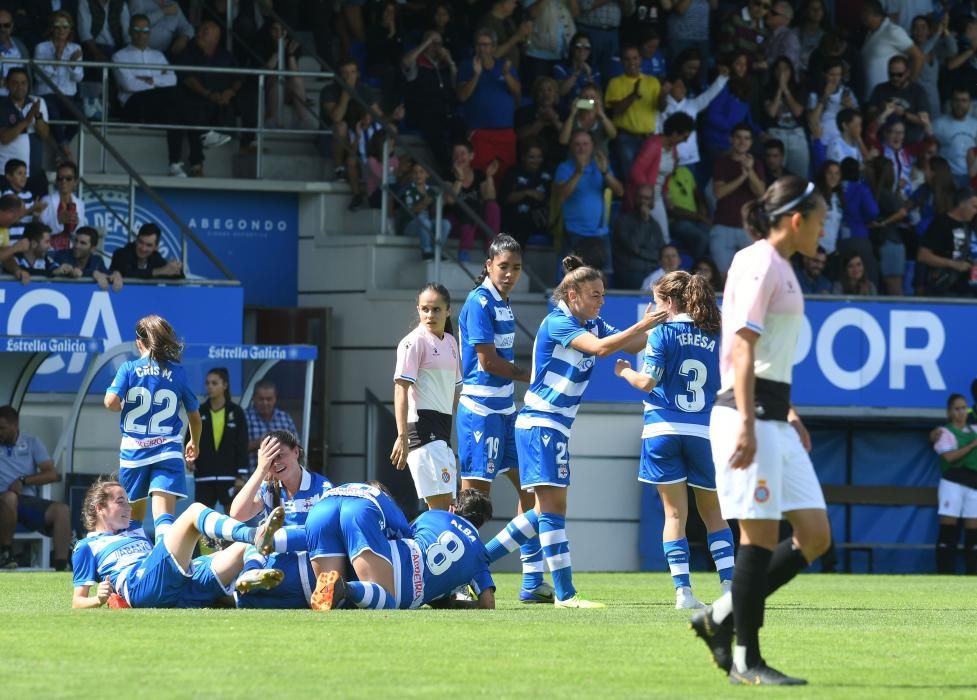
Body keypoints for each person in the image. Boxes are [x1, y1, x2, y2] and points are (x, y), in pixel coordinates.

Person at [690, 176, 832, 686]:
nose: (824, 227)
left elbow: (768, 353)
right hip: (745, 416)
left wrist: (787, 413)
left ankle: (720, 617)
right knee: (758, 537)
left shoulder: (785, 268)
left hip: (775, 415)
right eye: (820, 218)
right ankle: (747, 661)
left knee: (814, 535)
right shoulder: (757, 261)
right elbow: (743, 347)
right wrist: (749, 421)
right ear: (796, 220)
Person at [485, 255, 664, 608]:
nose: (601, 301)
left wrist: (659, 322)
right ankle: (564, 594)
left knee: (546, 509)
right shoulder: (557, 323)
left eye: (602, 295)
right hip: (541, 422)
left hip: (552, 426)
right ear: (572, 296)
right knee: (552, 508)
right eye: (595, 295)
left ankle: (484, 561)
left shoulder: (592, 324)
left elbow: (632, 345)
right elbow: (601, 350)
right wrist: (645, 323)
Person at [614, 271, 735, 609]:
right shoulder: (713, 333)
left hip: (662, 430)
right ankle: (729, 589)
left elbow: (647, 383)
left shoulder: (662, 332)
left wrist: (623, 370)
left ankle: (683, 592)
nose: (653, 309)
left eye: (655, 302)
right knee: (714, 514)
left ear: (668, 303)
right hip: (703, 431)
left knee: (674, 516)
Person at [456, 235, 552, 603]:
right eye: (503, 267)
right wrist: (530, 375)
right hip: (481, 412)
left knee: (529, 489)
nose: (509, 274)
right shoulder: (479, 301)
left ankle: (531, 580)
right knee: (473, 502)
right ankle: (461, 577)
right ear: (488, 264)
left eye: (515, 268)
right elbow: (487, 362)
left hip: (505, 410)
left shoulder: (502, 301)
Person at [71, 477, 285, 608]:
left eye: (128, 501)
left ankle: (249, 575)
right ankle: (252, 533)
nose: (128, 507)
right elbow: (77, 602)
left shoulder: (133, 529)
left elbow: (162, 509)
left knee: (242, 550)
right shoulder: (87, 546)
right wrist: (98, 600)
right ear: (99, 508)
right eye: (120, 502)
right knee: (193, 512)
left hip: (174, 586)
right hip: (141, 586)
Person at [308, 486, 493, 610]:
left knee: (334, 604)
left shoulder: (434, 515)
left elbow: (406, 535)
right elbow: (488, 604)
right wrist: (462, 605)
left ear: (453, 509)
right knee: (385, 599)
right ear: (482, 524)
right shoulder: (479, 553)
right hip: (405, 583)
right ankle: (345, 588)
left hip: (325, 503)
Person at [103, 314, 201, 542]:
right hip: (167, 450)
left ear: (140, 341)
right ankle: (164, 563)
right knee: (163, 520)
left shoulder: (128, 368)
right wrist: (194, 441)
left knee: (133, 520)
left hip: (134, 453)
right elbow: (194, 417)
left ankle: (135, 564)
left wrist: (121, 404)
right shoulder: (178, 373)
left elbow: (110, 402)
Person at [230, 431, 333, 609]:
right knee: (253, 542)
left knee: (259, 542)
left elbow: (327, 535)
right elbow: (237, 514)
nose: (275, 463)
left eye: (280, 455)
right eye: (270, 459)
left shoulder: (322, 488)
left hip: (312, 566)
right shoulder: (269, 488)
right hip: (277, 570)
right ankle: (251, 574)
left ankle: (252, 571)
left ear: (296, 452)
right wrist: (261, 470)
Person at [392, 283, 461, 510]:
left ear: (448, 310)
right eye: (425, 309)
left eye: (437, 309)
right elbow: (401, 388)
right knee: (440, 511)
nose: (430, 315)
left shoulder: (451, 343)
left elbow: (455, 391)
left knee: (449, 509)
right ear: (418, 310)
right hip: (422, 430)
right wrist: (402, 435)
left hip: (442, 432)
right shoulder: (413, 342)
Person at [112, 14, 190, 177]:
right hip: (133, 105)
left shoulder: (158, 56)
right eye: (137, 30)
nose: (141, 34)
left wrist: (150, 79)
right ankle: (201, 133)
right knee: (175, 97)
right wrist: (159, 81)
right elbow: (129, 85)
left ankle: (174, 163)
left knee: (173, 113)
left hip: (157, 105)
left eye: (145, 30)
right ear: (130, 31)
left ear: (150, 33)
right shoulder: (119, 56)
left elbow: (173, 79)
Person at [0, 405, 72, 570]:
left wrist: (23, 480)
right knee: (9, 497)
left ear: (15, 425)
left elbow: (51, 474)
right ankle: (6, 555)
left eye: (2, 428)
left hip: (25, 501)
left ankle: (60, 567)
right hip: (2, 499)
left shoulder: (32, 443)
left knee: (62, 510)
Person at [555, 130, 624, 273]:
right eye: (578, 144)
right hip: (574, 232)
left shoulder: (600, 165)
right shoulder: (564, 167)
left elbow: (620, 192)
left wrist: (605, 172)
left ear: (592, 146)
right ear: (572, 147)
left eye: (585, 144)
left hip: (600, 233)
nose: (582, 148)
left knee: (604, 279)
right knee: (571, 278)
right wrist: (578, 172)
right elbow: (561, 195)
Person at [456, 28, 521, 177]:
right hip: (480, 132)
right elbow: (462, 96)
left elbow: (517, 91)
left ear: (494, 47)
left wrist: (506, 75)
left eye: (486, 45)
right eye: (479, 45)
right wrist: (476, 75)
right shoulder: (467, 66)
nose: (482, 49)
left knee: (506, 174)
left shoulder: (504, 65)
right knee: (481, 173)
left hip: (505, 132)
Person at [626, 112, 694, 242]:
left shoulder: (673, 149)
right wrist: (647, 197)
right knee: (657, 237)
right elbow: (636, 172)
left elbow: (665, 177)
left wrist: (666, 194)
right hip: (644, 198)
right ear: (674, 133)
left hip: (657, 198)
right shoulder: (653, 145)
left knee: (663, 237)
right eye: (684, 137)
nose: (685, 141)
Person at [187, 368, 248, 513]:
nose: (210, 387)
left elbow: (242, 445)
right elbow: (189, 439)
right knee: (202, 516)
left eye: (214, 383)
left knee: (233, 514)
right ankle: (204, 538)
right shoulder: (199, 411)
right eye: (207, 383)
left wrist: (240, 475)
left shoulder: (236, 412)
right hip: (204, 475)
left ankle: (230, 537)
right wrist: (189, 459)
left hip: (229, 476)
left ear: (225, 385)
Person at [710, 124, 766, 275]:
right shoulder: (722, 162)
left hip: (748, 228)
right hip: (723, 225)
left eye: (746, 138)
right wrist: (743, 176)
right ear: (731, 139)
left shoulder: (757, 164)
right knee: (723, 276)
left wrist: (750, 170)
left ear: (751, 142)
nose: (742, 141)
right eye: (739, 138)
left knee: (750, 276)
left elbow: (761, 193)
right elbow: (719, 193)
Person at [931, 393, 977, 574]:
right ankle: (944, 573)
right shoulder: (945, 433)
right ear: (949, 412)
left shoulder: (973, 430)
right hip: (953, 482)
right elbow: (949, 457)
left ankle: (972, 574)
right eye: (957, 409)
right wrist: (972, 446)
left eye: (964, 408)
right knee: (948, 528)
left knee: (973, 531)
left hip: (974, 483)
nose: (961, 412)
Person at [605, 45, 664, 178]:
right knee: (632, 178)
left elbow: (661, 108)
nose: (631, 62)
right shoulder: (615, 82)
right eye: (627, 59)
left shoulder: (653, 81)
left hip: (649, 137)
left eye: (635, 58)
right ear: (621, 61)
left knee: (650, 178)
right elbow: (615, 110)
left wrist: (664, 94)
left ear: (641, 59)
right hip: (626, 138)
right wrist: (633, 96)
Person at [33, 11, 84, 161]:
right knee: (53, 111)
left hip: (67, 95)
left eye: (65, 27)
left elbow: (79, 77)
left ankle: (60, 148)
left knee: (80, 115)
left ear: (70, 29)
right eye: (57, 26)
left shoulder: (75, 48)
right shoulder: (41, 48)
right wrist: (56, 60)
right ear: (51, 28)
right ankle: (66, 151)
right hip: (47, 93)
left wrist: (72, 64)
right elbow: (39, 77)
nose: (61, 30)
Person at [917, 188, 977, 297]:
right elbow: (923, 256)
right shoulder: (941, 224)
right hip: (946, 289)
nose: (975, 211)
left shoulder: (971, 225)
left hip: (969, 289)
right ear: (962, 204)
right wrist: (953, 264)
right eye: (974, 207)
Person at [0, 68, 50, 200]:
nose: (20, 87)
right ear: (7, 84)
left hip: (34, 174)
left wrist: (37, 116)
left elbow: (44, 134)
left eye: (23, 83)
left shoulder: (38, 102)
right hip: (6, 176)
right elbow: (5, 137)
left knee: (37, 215)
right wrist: (27, 119)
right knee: (8, 217)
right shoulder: (1, 104)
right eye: (15, 83)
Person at [860, 0, 923, 100]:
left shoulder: (893, 31)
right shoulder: (869, 34)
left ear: (870, 13)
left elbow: (918, 57)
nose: (861, 16)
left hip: (891, 97)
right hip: (871, 97)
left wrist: (908, 84)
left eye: (863, 12)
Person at [499, 142, 552, 249]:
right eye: (531, 157)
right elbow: (505, 198)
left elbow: (552, 200)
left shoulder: (548, 173)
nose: (536, 161)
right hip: (517, 219)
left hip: (541, 217)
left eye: (539, 157)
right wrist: (526, 193)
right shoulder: (513, 172)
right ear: (523, 157)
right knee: (520, 223)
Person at [868, 55, 930, 145]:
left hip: (910, 144)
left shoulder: (918, 91)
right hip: (884, 142)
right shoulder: (880, 89)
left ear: (908, 72)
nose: (895, 78)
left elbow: (924, 121)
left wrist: (903, 114)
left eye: (899, 75)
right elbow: (869, 115)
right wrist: (881, 109)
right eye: (891, 74)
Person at [613, 184, 666, 289]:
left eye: (646, 198)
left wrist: (641, 252)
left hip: (652, 269)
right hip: (630, 271)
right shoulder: (623, 221)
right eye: (640, 197)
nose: (643, 201)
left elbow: (661, 251)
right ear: (635, 199)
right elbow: (633, 247)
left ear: (651, 201)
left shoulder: (655, 225)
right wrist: (644, 222)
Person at [401, 161, 451, 261]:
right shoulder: (408, 190)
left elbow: (435, 213)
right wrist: (426, 201)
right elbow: (411, 211)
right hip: (410, 226)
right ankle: (427, 252)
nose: (418, 175)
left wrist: (440, 203)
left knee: (445, 223)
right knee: (423, 221)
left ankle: (438, 252)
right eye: (415, 172)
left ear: (427, 174)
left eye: (421, 172)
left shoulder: (431, 191)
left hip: (427, 225)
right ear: (411, 175)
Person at [245, 379, 299, 470]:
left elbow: (297, 447)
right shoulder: (244, 417)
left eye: (269, 399)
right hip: (252, 477)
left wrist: (281, 445)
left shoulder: (285, 418)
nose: (265, 403)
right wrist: (258, 443)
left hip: (282, 478)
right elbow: (234, 449)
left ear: (275, 399)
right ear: (254, 398)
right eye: (261, 399)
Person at [52, 226, 122, 291]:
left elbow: (106, 274)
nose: (77, 246)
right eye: (76, 241)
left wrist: (115, 274)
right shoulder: (62, 255)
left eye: (83, 243)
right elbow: (74, 272)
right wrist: (93, 273)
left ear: (92, 249)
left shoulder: (97, 260)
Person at [2, 221, 73, 284]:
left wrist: (70, 271)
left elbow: (56, 269)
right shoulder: (14, 259)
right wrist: (51, 273)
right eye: (46, 242)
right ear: (33, 244)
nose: (49, 246)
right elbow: (27, 271)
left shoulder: (46, 260)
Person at [38, 161, 86, 251]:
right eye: (60, 178)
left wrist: (76, 224)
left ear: (76, 182)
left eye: (68, 178)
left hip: (71, 251)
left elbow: (80, 232)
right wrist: (58, 221)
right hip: (49, 250)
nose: (63, 181)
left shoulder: (79, 204)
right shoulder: (47, 201)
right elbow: (39, 231)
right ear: (56, 181)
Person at [933, 89, 977, 187]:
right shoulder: (938, 124)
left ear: (970, 103)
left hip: (973, 178)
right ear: (951, 102)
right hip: (949, 177)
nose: (960, 104)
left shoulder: (975, 124)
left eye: (964, 100)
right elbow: (932, 151)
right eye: (957, 100)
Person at [109, 223, 184, 279]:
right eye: (141, 242)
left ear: (156, 247)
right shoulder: (121, 254)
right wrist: (158, 271)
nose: (143, 248)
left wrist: (176, 269)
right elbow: (128, 274)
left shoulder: (156, 257)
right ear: (136, 240)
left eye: (149, 245)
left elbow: (180, 279)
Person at [127, 0, 194, 55]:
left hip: (165, 53)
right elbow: (136, 23)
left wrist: (184, 37)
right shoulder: (138, 1)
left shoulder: (173, 4)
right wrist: (163, 12)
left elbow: (188, 27)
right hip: (140, 51)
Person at [1, 158, 44, 240]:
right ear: (9, 177)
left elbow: (33, 221)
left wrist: (36, 214)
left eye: (25, 173)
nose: (24, 177)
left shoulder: (29, 195)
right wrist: (30, 210)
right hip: (10, 241)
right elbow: (12, 218)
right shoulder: (7, 195)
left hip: (26, 241)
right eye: (19, 173)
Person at [78, 0, 131, 65]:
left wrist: (127, 52)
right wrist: (96, 53)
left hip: (117, 48)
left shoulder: (121, 3)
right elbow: (84, 33)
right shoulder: (86, 2)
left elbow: (127, 33)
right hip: (94, 47)